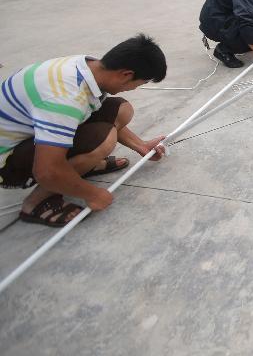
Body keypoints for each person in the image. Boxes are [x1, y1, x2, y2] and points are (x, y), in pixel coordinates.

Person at [0, 35, 168, 227]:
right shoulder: (66, 98)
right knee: (103, 141)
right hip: (6, 160)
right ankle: (36, 202)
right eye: (139, 84)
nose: (135, 89)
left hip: (27, 132)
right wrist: (93, 194)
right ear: (126, 75)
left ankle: (81, 165)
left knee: (121, 110)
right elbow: (46, 171)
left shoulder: (87, 66)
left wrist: (141, 145)